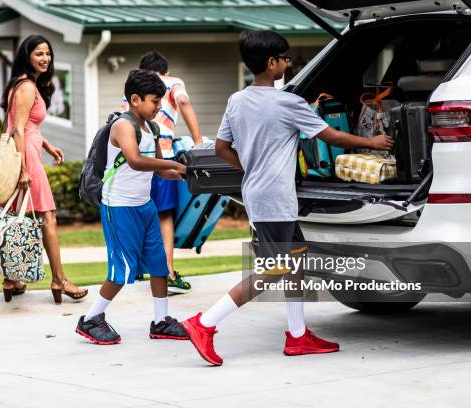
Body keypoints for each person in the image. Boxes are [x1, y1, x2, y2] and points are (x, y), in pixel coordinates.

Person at [181, 30, 394, 366]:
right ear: (271, 63)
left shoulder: (237, 100)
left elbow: (222, 148)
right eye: (284, 58)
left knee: (294, 262)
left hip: (259, 193)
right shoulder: (288, 103)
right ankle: (204, 323)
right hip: (275, 198)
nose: (288, 63)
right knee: (276, 267)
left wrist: (250, 168)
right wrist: (374, 143)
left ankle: (297, 336)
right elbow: (332, 135)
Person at [75, 69, 189, 344]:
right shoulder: (123, 126)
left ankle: (161, 321)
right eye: (154, 101)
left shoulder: (154, 128)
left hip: (144, 206)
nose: (159, 106)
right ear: (135, 99)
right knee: (122, 269)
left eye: (161, 101)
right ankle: (90, 319)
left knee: (159, 264)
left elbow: (160, 172)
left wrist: (186, 174)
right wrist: (173, 164)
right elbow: (136, 161)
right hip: (119, 207)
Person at [0, 35, 87, 304]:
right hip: (26, 156)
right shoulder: (28, 87)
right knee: (47, 218)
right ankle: (59, 280)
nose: (45, 58)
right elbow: (18, 129)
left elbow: (25, 126)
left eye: (48, 54)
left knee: (19, 216)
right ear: (27, 56)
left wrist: (48, 145)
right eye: (39, 54)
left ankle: (11, 279)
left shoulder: (20, 83)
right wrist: (22, 171)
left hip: (27, 149)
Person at [121, 51, 203, 292]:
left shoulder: (131, 91)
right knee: (164, 216)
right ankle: (167, 270)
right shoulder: (174, 83)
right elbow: (184, 101)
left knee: (138, 211)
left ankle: (135, 268)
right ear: (165, 72)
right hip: (162, 158)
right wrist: (198, 141)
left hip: (134, 162)